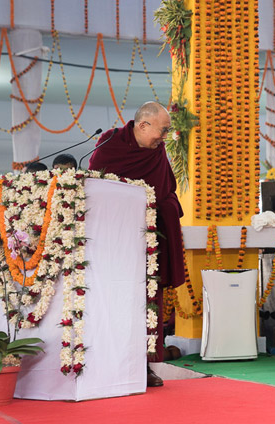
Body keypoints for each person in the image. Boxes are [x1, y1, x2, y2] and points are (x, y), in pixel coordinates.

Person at [88, 101, 185, 387]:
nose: (164, 137)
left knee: (146, 304)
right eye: (162, 130)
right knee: (111, 301)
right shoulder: (110, 142)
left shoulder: (157, 151)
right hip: (112, 242)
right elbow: (95, 186)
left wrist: (165, 207)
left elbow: (166, 189)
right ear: (143, 125)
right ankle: (101, 361)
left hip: (147, 243)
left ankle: (144, 366)